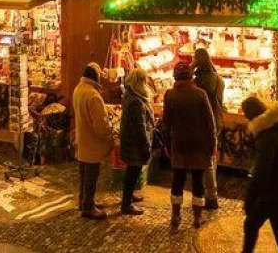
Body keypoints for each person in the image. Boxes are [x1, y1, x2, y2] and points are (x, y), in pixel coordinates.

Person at [162, 62, 216, 230]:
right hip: (199, 144)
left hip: (179, 143)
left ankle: (176, 215)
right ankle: (197, 217)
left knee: (177, 180)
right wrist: (213, 143)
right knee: (198, 180)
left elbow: (166, 124)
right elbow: (210, 122)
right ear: (191, 76)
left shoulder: (170, 95)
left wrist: (167, 145)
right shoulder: (200, 94)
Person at [241, 97, 278, 253]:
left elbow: (261, 171)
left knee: (253, 225)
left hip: (271, 194)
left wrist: (250, 199)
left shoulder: (266, 137)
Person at [72, 62, 114, 219]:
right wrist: (110, 129)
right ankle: (88, 208)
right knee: (91, 175)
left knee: (83, 173)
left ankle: (83, 201)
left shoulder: (78, 89)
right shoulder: (93, 95)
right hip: (92, 143)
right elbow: (101, 126)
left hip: (82, 140)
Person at [118, 68, 154, 215]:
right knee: (133, 171)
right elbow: (140, 127)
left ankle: (129, 196)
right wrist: (146, 146)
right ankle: (127, 204)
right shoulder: (136, 101)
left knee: (132, 171)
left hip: (131, 141)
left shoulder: (131, 95)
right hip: (135, 143)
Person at [192, 48, 224, 210]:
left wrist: (191, 67)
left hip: (204, 122)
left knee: (206, 161)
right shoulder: (218, 78)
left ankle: (211, 197)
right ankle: (210, 191)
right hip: (217, 121)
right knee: (212, 157)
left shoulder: (198, 80)